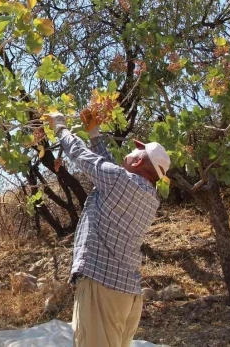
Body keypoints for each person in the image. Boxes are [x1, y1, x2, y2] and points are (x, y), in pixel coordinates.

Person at [44, 109, 171, 347]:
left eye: (135, 150)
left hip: (102, 288)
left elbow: (83, 157)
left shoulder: (119, 182)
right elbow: (110, 171)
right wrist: (94, 134)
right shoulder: (147, 195)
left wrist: (60, 127)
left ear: (139, 161)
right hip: (126, 292)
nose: (130, 152)